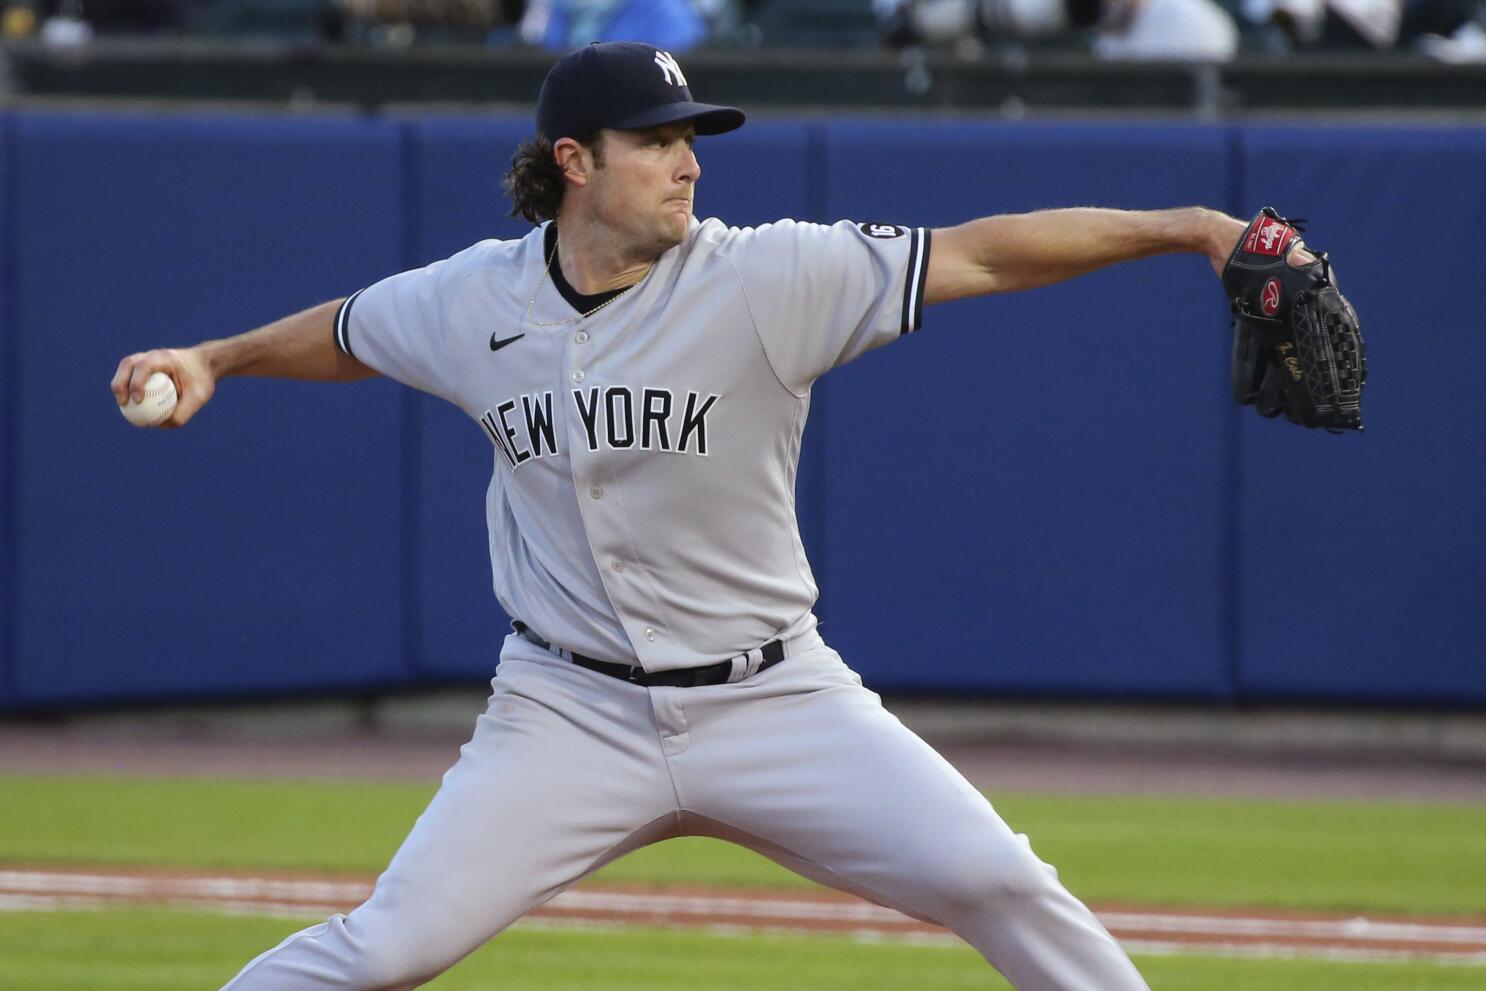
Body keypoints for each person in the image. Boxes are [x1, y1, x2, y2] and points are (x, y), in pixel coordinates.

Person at [111, 40, 1250, 991]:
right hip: (566, 711)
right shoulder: (473, 298)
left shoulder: (765, 279)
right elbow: (351, 331)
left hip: (773, 699)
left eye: (690, 138)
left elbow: (984, 254)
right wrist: (217, 358)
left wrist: (1192, 226)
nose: (686, 163)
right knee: (381, 951)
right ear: (574, 161)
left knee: (1002, 885)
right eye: (655, 140)